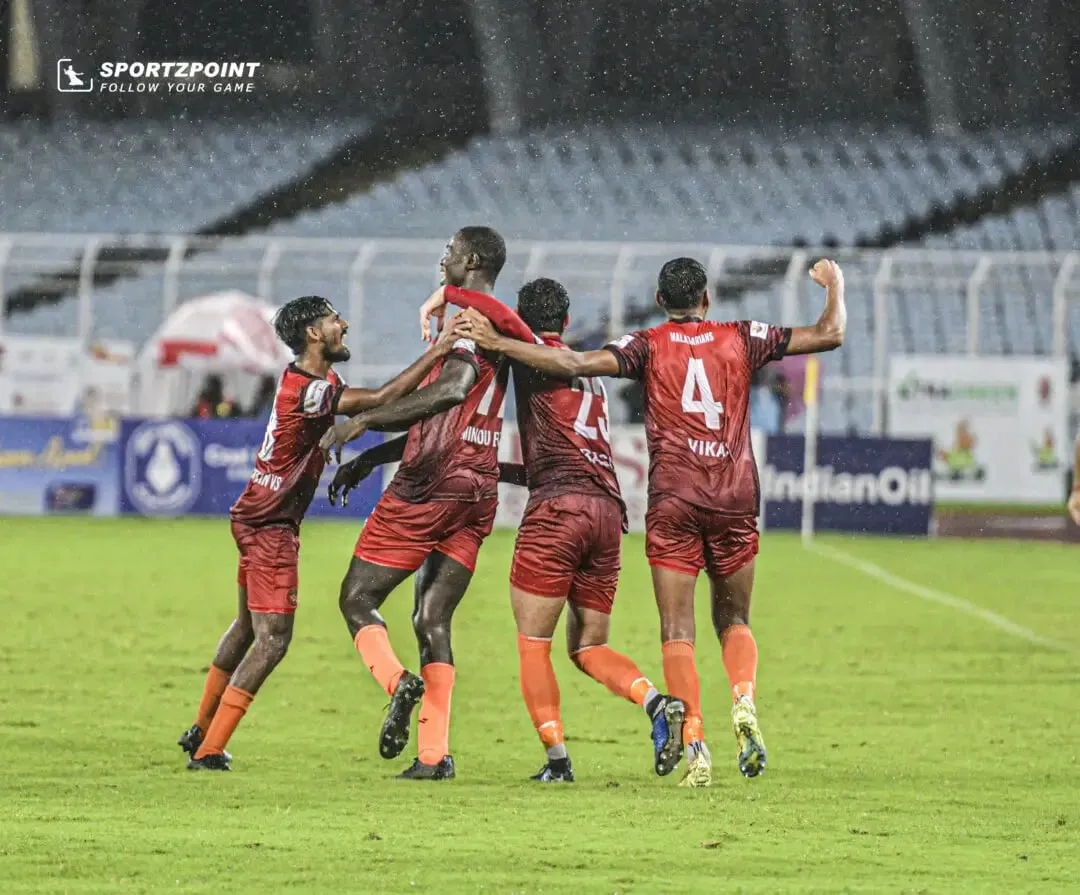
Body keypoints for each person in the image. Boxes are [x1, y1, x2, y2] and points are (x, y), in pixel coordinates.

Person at [455, 257, 846, 786]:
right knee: (733, 621)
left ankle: (694, 743)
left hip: (672, 500)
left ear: (660, 301)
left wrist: (495, 340)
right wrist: (835, 284)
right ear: (706, 299)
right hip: (730, 495)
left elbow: (577, 364)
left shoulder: (646, 343)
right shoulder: (742, 335)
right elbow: (830, 333)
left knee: (674, 628)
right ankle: (744, 702)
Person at [345, 277, 687, 783]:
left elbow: (490, 346)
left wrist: (448, 294)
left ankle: (557, 762)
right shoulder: (587, 373)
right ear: (567, 323)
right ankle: (655, 702)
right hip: (609, 512)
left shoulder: (529, 355)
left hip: (557, 512)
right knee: (589, 646)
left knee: (534, 643)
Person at [178, 295, 462, 770]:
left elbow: (381, 405)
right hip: (270, 526)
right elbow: (375, 402)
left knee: (247, 626)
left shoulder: (317, 381)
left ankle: (202, 728)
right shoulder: (308, 390)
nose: (344, 325)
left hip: (255, 514)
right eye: (334, 320)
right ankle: (209, 752)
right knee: (272, 639)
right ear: (313, 333)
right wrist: (438, 354)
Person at [318, 226, 510, 781]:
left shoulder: (473, 324)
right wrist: (371, 458)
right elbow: (446, 415)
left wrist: (365, 420)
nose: (442, 258)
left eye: (449, 251)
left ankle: (398, 682)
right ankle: (433, 755)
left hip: (431, 484)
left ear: (471, 259)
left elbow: (449, 390)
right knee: (433, 617)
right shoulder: (493, 322)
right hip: (477, 488)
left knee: (356, 598)